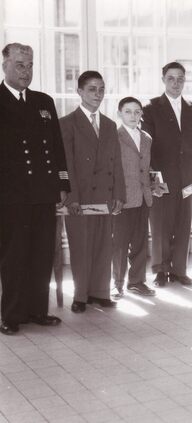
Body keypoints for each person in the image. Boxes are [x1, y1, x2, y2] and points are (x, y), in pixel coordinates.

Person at [0, 43, 69, 335]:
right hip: (10, 195)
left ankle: (37, 310)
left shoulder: (43, 101)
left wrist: (63, 183)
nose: (26, 71)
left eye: (29, 66)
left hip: (43, 191)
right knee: (14, 255)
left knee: (41, 254)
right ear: (4, 65)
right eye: (19, 65)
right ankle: (11, 314)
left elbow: (56, 146)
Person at [60, 71, 126, 313]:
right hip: (80, 197)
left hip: (104, 197)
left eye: (101, 89)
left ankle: (100, 292)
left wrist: (119, 194)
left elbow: (116, 164)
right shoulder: (67, 123)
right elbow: (66, 165)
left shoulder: (109, 125)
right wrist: (71, 198)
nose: (98, 94)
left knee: (103, 246)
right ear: (79, 92)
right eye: (91, 89)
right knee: (81, 246)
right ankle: (80, 296)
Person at [142, 62, 192, 287]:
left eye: (180, 78)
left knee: (183, 224)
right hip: (161, 179)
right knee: (161, 225)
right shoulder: (150, 108)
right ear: (163, 80)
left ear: (184, 81)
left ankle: (180, 270)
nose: (176, 83)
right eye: (171, 78)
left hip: (187, 178)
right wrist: (153, 180)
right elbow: (146, 147)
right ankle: (160, 270)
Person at [111, 97, 156, 298]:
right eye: (128, 111)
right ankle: (117, 284)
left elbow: (145, 167)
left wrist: (155, 184)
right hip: (123, 199)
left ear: (141, 115)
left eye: (137, 112)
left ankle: (137, 282)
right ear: (119, 114)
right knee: (119, 245)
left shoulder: (146, 138)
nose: (133, 116)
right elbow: (110, 170)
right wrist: (114, 196)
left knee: (140, 243)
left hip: (143, 198)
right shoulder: (114, 137)